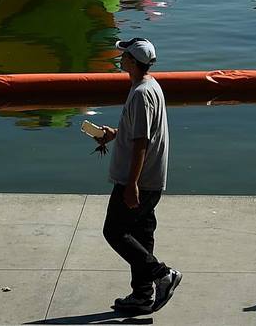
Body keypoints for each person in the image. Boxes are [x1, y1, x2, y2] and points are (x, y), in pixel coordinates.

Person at [94, 37, 181, 316]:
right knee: (142, 236)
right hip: (149, 179)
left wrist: (131, 184)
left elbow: (142, 141)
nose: (120, 59)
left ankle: (162, 274)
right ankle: (142, 296)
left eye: (124, 56)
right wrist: (114, 134)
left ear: (132, 61)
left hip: (139, 181)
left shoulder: (142, 93)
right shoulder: (149, 86)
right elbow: (138, 132)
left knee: (115, 232)